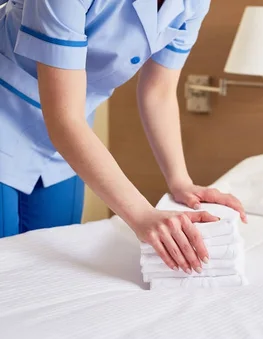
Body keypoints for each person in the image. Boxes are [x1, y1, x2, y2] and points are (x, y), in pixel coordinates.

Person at [0, 0, 247, 275]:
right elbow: (63, 118)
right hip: (11, 114)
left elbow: (159, 92)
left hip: (65, 147)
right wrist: (141, 214)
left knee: (52, 270)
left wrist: (181, 181)